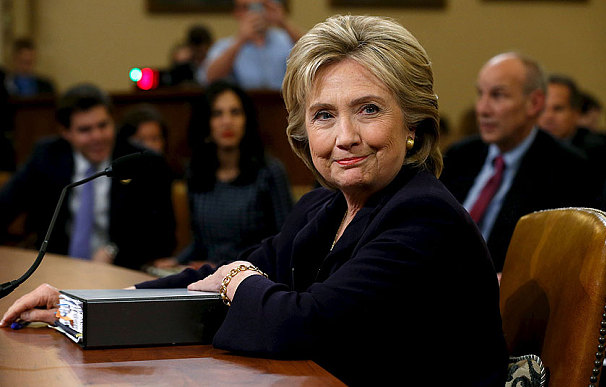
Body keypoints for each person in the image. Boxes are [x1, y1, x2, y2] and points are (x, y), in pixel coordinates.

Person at [0, 16, 507, 385]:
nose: (344, 136)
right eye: (324, 115)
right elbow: (221, 276)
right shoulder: (324, 207)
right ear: (304, 132)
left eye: (368, 109)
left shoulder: (425, 218)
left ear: (414, 126)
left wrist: (238, 281)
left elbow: (301, 325)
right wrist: (77, 306)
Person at [441, 53, 595, 272]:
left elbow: (561, 264)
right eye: (480, 94)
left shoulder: (568, 169)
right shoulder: (461, 155)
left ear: (534, 103)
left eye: (498, 95)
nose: (482, 109)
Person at [0, 84, 176, 269]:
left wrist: (113, 249)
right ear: (66, 132)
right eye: (85, 130)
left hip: (121, 272)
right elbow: (5, 207)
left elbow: (162, 237)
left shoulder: (143, 162)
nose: (97, 136)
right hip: (56, 271)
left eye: (103, 125)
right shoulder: (47, 156)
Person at [155, 80, 292, 269]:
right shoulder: (196, 171)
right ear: (206, 123)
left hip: (254, 277)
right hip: (208, 277)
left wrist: (222, 266)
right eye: (217, 114)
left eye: (235, 112)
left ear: (246, 120)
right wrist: (175, 262)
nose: (227, 122)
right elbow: (200, 243)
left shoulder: (269, 171)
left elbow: (284, 243)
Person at [538, 74, 606, 195]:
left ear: (576, 113)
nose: (548, 117)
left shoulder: (596, 149)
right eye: (543, 109)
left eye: (558, 109)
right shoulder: (526, 145)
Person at [200, 0, 303, 90]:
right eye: (247, 8)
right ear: (237, 13)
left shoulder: (286, 39)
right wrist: (241, 40)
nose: (254, 13)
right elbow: (209, 78)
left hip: (283, 106)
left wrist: (283, 23)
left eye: (260, 6)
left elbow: (314, 51)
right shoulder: (226, 46)